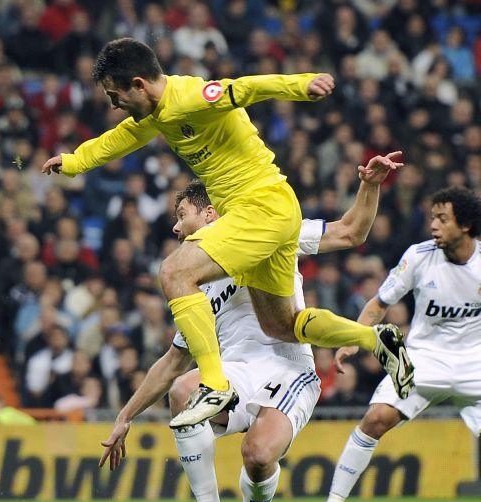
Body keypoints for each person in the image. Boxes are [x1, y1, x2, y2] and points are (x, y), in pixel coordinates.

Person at [43, 38, 412, 426]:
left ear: (139, 84)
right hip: (269, 212)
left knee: (174, 273)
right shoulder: (155, 114)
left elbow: (244, 88)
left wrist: (302, 85)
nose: (114, 105)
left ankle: (215, 385)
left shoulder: (190, 97)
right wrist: (73, 162)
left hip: (260, 207)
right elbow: (121, 138)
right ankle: (375, 339)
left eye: (114, 95)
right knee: (281, 324)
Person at [100, 152, 398, 502]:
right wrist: (125, 416)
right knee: (181, 391)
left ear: (210, 214)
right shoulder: (191, 283)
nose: (176, 229)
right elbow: (173, 361)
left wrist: (369, 185)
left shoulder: (268, 230)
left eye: (182, 216)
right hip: (235, 371)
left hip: (289, 369)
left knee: (257, 455)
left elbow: (350, 231)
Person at [310, 187, 481, 502]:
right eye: (433, 217)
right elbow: (379, 304)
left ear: (465, 226)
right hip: (424, 360)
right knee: (375, 419)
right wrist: (350, 341)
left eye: (442, 219)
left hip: (475, 363)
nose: (433, 225)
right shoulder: (419, 256)